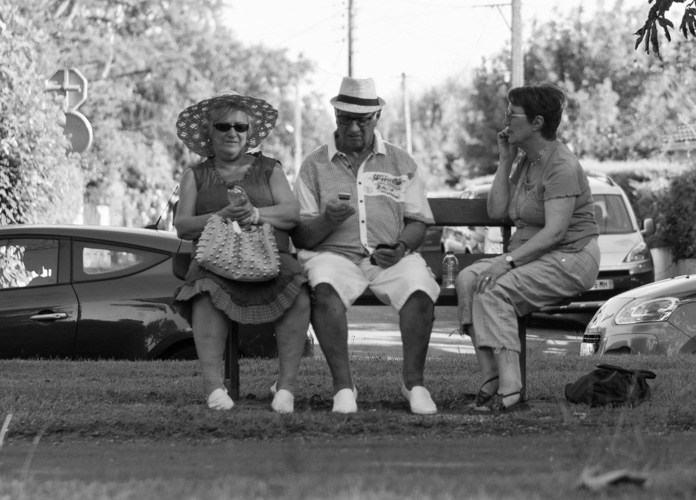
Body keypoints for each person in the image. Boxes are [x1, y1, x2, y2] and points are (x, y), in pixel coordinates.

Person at [291, 77, 441, 415]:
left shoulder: (401, 162)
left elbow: (419, 221)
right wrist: (327, 221)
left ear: (376, 118)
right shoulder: (313, 165)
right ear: (336, 117)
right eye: (345, 119)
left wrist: (401, 246)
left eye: (362, 119)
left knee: (419, 290)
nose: (353, 127)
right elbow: (300, 236)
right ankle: (344, 387)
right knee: (324, 290)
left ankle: (413, 383)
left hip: (389, 255)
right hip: (333, 255)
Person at [455, 82, 600, 411]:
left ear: (536, 122)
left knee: (494, 288)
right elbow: (495, 211)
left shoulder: (561, 165)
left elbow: (554, 233)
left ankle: (511, 388)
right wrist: (505, 160)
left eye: (511, 114)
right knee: (467, 279)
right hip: (534, 255)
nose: (505, 121)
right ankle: (491, 375)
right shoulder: (525, 161)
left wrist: (504, 262)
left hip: (570, 257)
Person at [173, 90, 310, 413]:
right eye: (223, 126)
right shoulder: (194, 175)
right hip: (214, 262)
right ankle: (214, 388)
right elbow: (183, 226)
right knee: (204, 291)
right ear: (210, 131)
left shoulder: (270, 168)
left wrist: (256, 214)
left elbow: (291, 215)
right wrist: (220, 216)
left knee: (299, 292)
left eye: (240, 126)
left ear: (250, 133)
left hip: (270, 259)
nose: (233, 132)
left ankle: (286, 388)